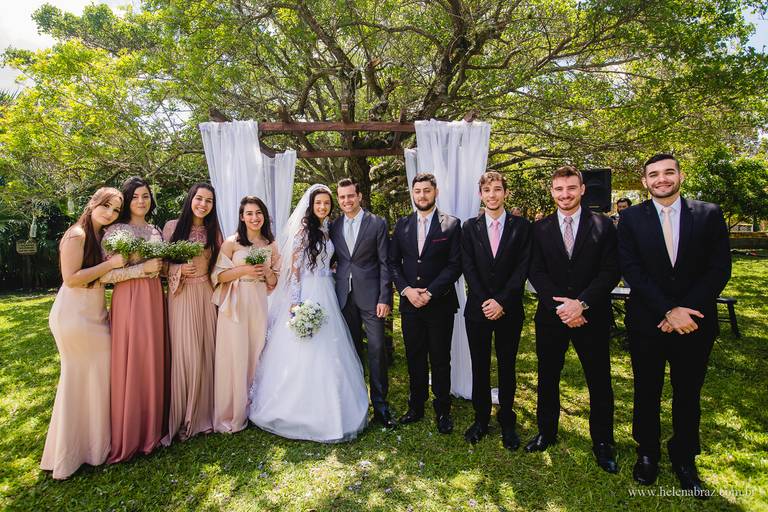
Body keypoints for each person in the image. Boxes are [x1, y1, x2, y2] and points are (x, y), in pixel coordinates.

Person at [618, 154, 731, 497]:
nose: (662, 179)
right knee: (646, 390)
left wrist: (685, 311)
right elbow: (631, 269)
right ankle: (647, 452)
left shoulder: (708, 214)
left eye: (669, 172)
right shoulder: (630, 218)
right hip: (647, 322)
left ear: (680, 176)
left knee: (688, 393)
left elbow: (719, 268)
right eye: (654, 174)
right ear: (645, 182)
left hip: (694, 323)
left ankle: (684, 457)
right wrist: (667, 310)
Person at [249, 184, 369, 442]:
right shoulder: (303, 232)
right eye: (318, 203)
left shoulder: (327, 229)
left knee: (330, 347)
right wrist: (295, 302)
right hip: (308, 292)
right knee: (305, 347)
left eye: (326, 203)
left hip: (327, 290)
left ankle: (334, 405)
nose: (323, 207)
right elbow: (295, 269)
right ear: (311, 206)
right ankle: (296, 409)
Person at [525, 166, 620, 473]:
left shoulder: (603, 225)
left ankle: (603, 442)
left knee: (599, 380)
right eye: (559, 189)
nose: (564, 194)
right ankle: (546, 432)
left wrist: (581, 304)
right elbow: (535, 271)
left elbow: (610, 271)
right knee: (547, 377)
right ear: (552, 192)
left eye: (570, 188)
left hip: (592, 316)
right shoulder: (539, 229)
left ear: (582, 189)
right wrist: (563, 308)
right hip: (551, 317)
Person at [41, 187, 125, 479]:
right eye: (106, 206)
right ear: (93, 203)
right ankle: (69, 454)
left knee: (96, 379)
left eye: (116, 210)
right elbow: (71, 278)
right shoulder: (76, 234)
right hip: (74, 315)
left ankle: (92, 447)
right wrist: (110, 264)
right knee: (78, 380)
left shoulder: (102, 236)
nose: (110, 213)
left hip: (95, 312)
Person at [460, 171, 531, 451]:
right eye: (487, 190)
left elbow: (522, 268)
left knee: (507, 365)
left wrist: (502, 301)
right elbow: (468, 267)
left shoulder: (521, 227)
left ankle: (507, 418)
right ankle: (480, 418)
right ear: (481, 195)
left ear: (506, 193)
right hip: (477, 310)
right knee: (479, 365)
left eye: (497, 189)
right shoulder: (469, 227)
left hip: (509, 309)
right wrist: (486, 301)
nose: (492, 194)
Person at [100, 176, 168, 463]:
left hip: (154, 298)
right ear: (127, 200)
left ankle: (153, 428)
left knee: (152, 356)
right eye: (136, 196)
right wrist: (142, 270)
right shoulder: (115, 230)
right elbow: (106, 275)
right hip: (128, 299)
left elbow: (161, 267)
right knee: (132, 357)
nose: (141, 201)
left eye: (146, 196)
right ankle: (130, 432)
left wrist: (162, 268)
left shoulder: (155, 230)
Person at [389, 173, 461, 434]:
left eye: (427, 191)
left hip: (440, 304)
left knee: (440, 359)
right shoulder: (402, 225)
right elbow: (393, 263)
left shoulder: (451, 224)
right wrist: (407, 290)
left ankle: (443, 410)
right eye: (418, 191)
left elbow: (455, 265)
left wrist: (430, 293)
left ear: (435, 192)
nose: (422, 195)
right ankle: (416, 406)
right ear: (413, 193)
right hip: (410, 304)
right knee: (414, 356)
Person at [329, 178, 396, 429]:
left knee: (377, 350)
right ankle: (357, 405)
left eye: (350, 196)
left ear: (359, 196)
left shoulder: (377, 223)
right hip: (343, 297)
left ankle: (381, 407)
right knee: (351, 351)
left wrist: (384, 297)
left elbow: (385, 263)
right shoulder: (334, 226)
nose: (346, 200)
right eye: (342, 197)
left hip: (372, 298)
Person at [211, 196, 278, 434]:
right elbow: (218, 276)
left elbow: (275, 282)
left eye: (258, 213)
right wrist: (244, 270)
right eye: (249, 213)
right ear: (242, 217)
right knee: (235, 354)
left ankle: (253, 407)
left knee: (256, 351)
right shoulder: (232, 243)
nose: (254, 218)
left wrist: (267, 271)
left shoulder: (271, 245)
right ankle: (232, 411)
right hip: (235, 303)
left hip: (259, 301)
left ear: (264, 216)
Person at [162, 183, 222, 444]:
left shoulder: (214, 231)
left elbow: (220, 266)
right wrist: (177, 270)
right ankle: (185, 414)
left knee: (207, 350)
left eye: (209, 201)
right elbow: (160, 265)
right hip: (181, 296)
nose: (203, 204)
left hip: (206, 295)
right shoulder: (172, 227)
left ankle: (204, 413)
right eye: (199, 198)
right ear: (190, 199)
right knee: (186, 352)